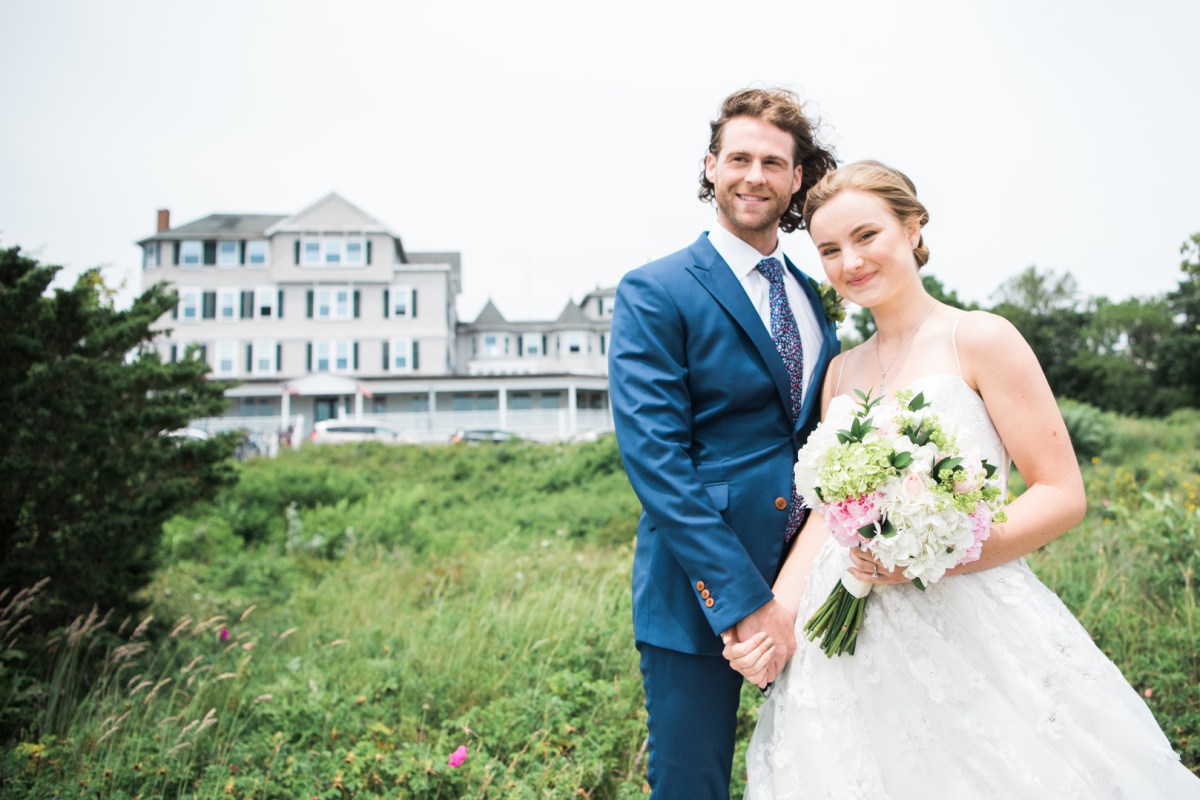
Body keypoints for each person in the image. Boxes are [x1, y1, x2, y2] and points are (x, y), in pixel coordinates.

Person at [725, 160, 1200, 798]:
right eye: (830, 249)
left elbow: (1062, 493)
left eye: (867, 236)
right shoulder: (840, 370)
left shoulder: (978, 338)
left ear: (912, 226)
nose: (851, 262)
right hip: (846, 635)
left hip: (972, 617)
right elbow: (826, 515)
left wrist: (937, 554)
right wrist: (776, 612)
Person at [608, 87, 840, 799]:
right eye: (738, 157)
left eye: (774, 162)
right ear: (710, 166)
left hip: (813, 594)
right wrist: (745, 605)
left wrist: (794, 594)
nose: (754, 176)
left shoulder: (813, 293)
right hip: (696, 598)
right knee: (690, 788)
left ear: (797, 178)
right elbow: (658, 465)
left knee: (814, 773)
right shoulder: (655, 290)